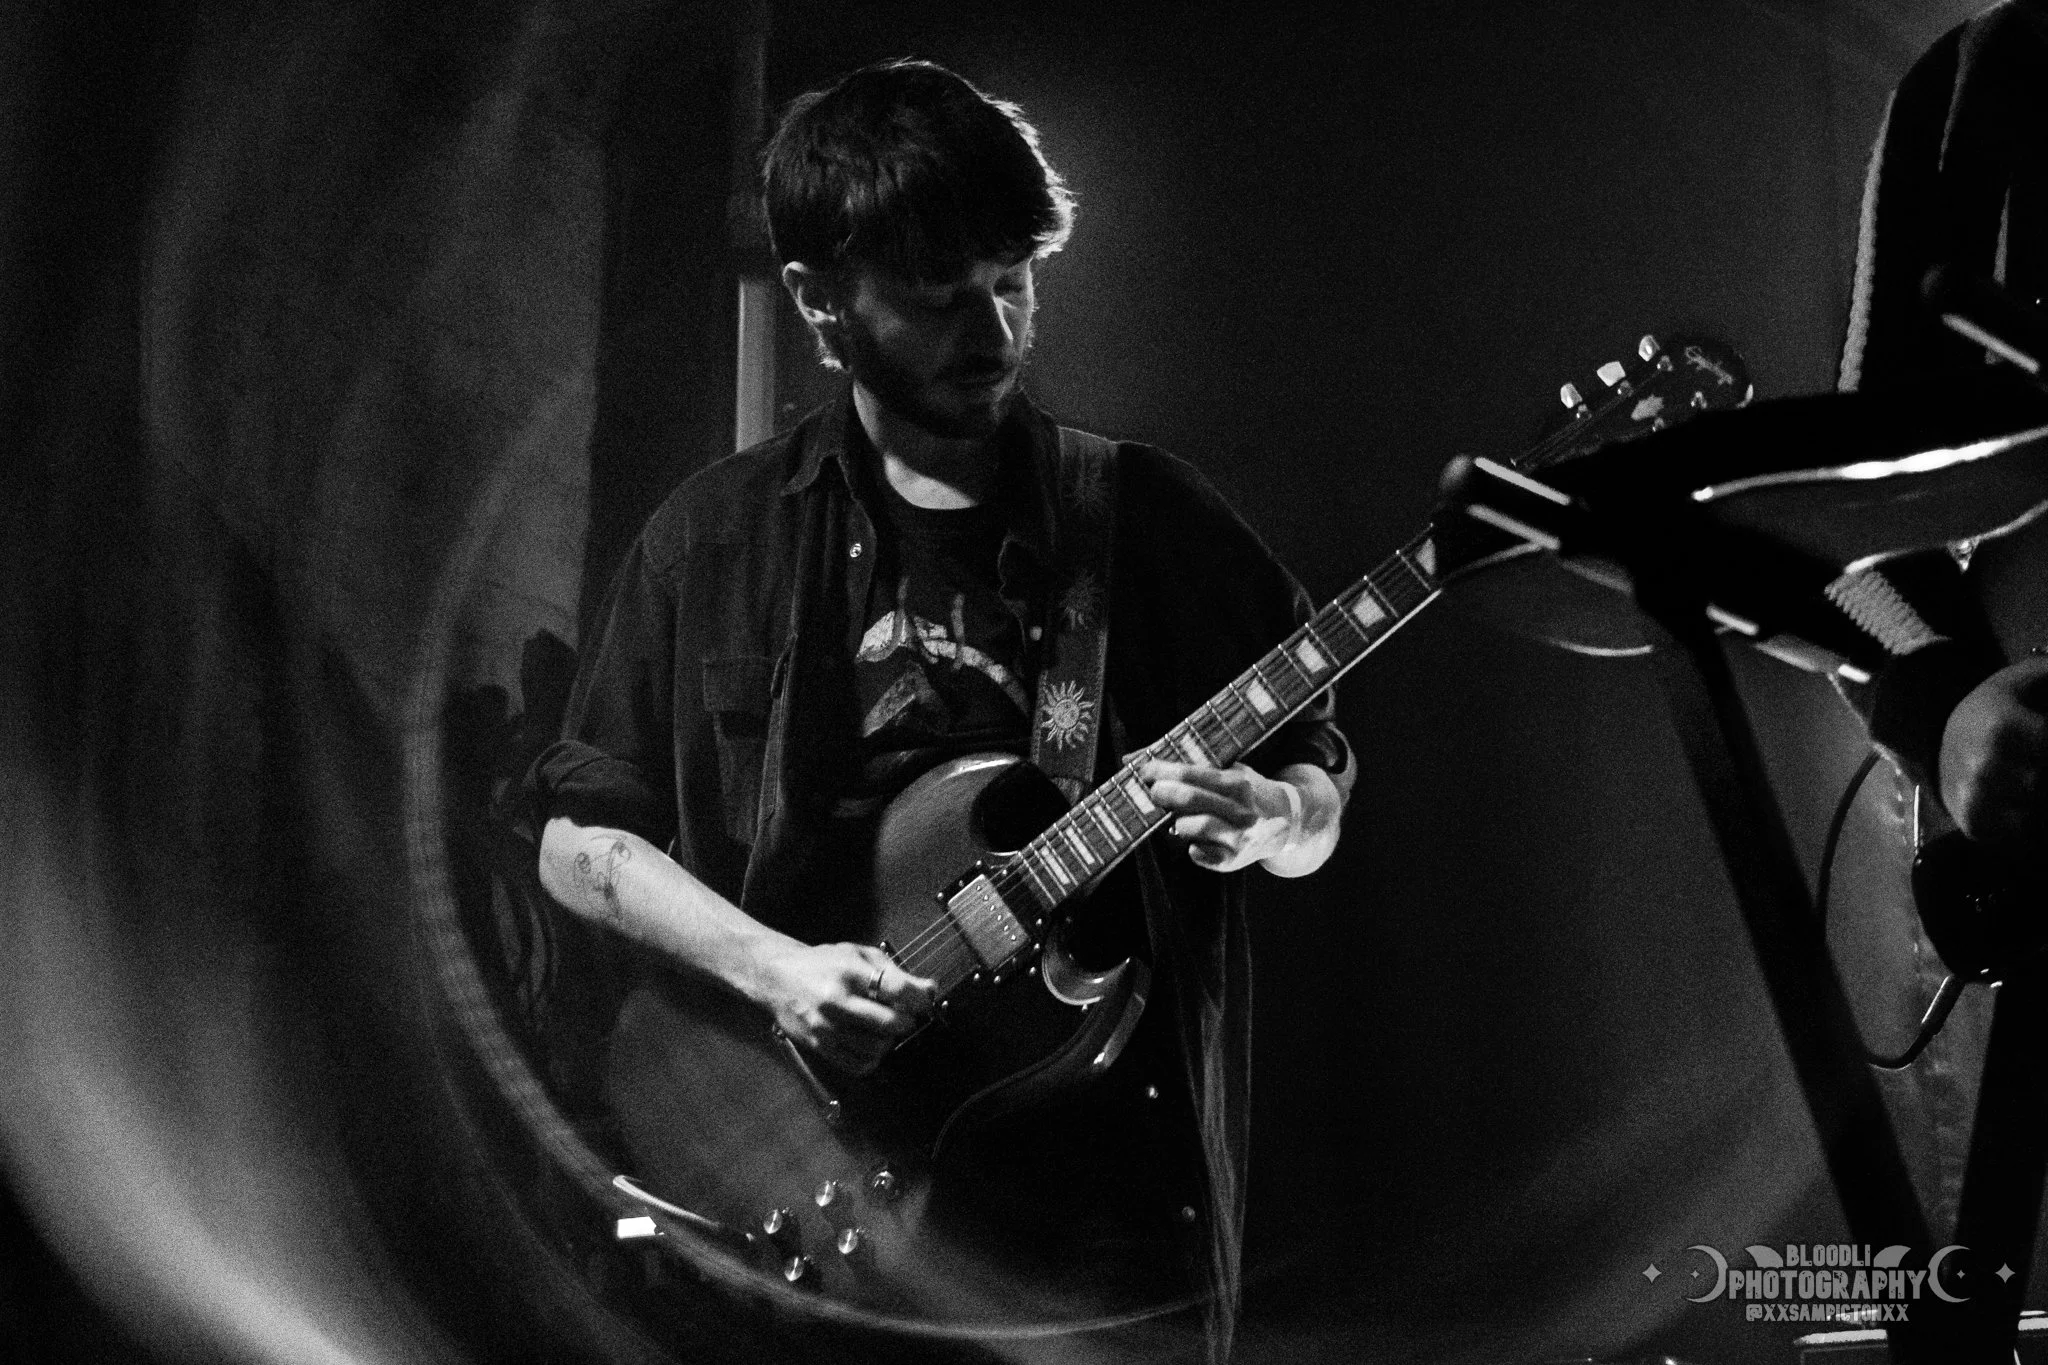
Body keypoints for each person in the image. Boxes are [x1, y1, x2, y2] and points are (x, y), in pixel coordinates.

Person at [522, 58, 1353, 1361]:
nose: (996, 331)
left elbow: (1316, 785)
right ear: (820, 300)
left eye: (1013, 281)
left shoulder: (1147, 521)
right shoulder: (713, 543)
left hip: (1099, 1237)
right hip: (809, 1220)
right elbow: (578, 845)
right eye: (938, 294)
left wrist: (1279, 819)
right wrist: (778, 970)